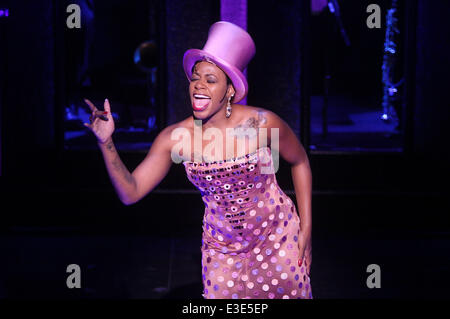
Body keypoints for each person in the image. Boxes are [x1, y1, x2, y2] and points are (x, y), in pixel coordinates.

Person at [84, 21, 313, 299]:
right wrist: (106, 142)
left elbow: (299, 161)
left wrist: (307, 227)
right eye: (195, 78)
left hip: (277, 238)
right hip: (222, 248)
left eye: (210, 79)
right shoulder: (177, 138)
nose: (198, 86)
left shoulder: (261, 124)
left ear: (230, 90)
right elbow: (130, 193)